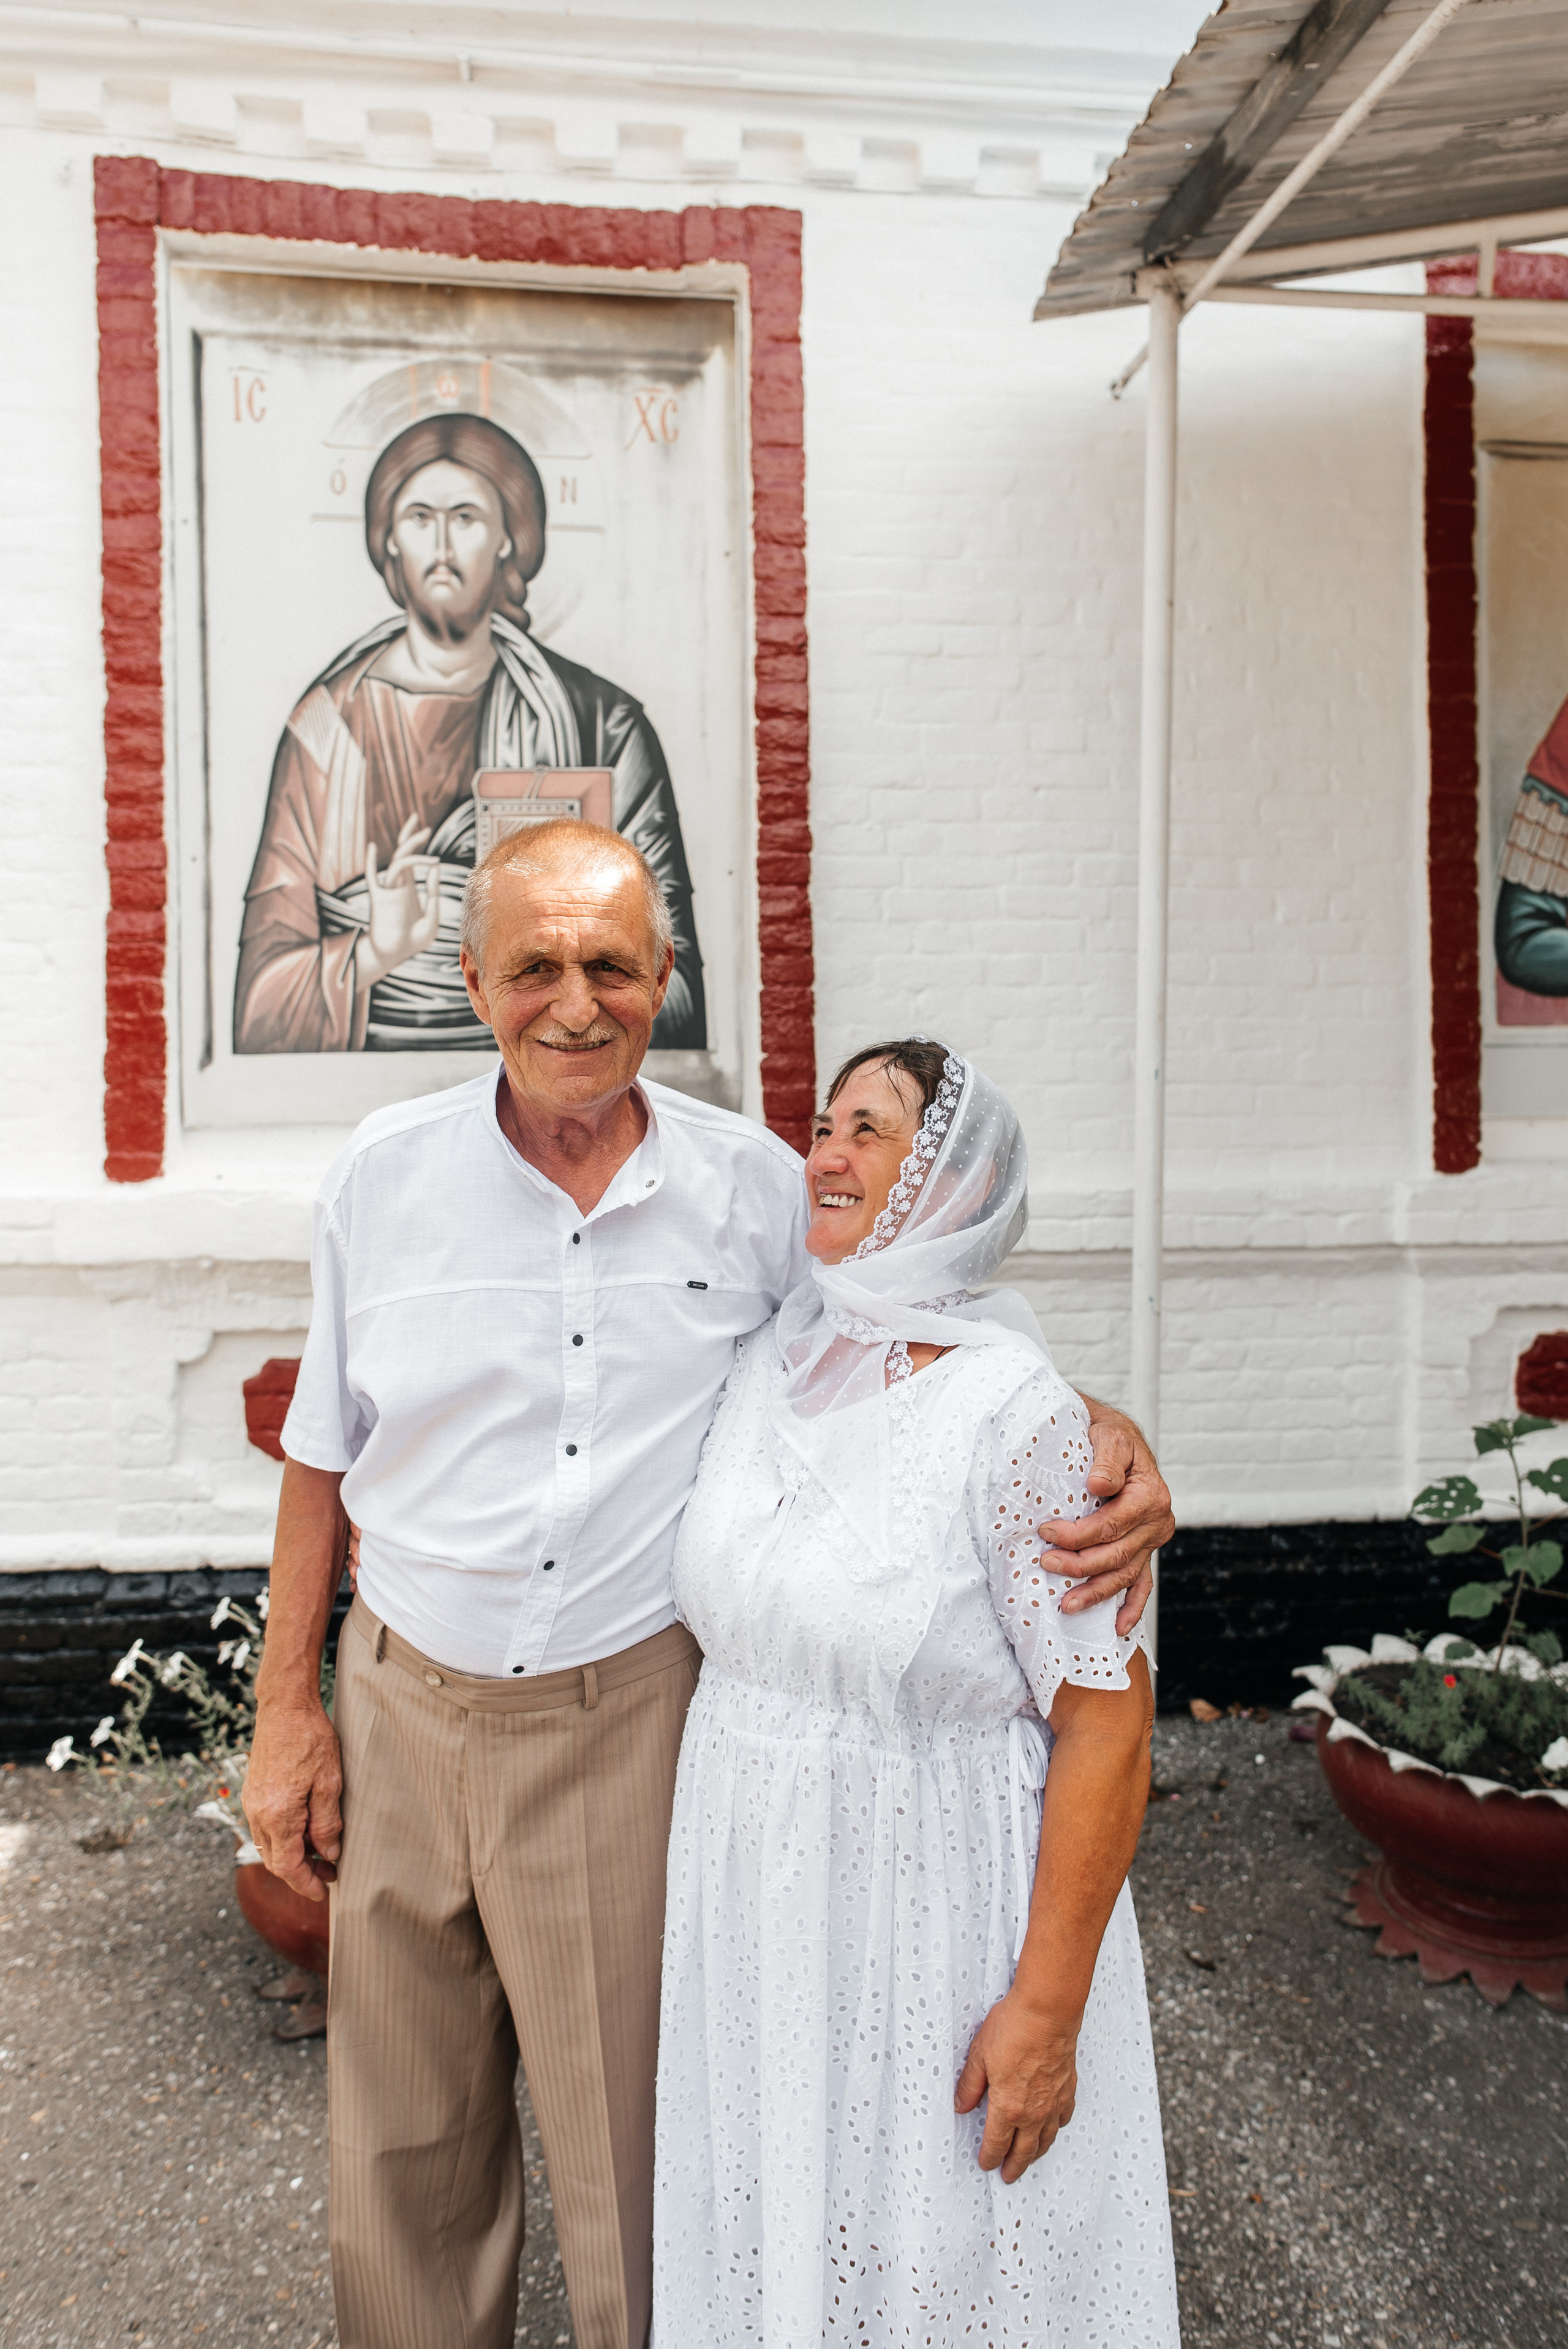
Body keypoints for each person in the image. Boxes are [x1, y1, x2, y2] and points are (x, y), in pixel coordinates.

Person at [242, 819, 1174, 2349]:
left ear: (663, 980)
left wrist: (1096, 1430)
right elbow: (317, 1451)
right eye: (533, 964)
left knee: (640, 2172)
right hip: (401, 1700)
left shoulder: (753, 1190)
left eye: (611, 963)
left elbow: (915, 1314)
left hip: (617, 1721)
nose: (573, 1000)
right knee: (397, 2155)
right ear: (473, 980)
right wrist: (290, 1708)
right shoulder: (382, 1176)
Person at [653, 1038, 1178, 2347]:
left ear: (951, 1180)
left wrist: (1045, 2012)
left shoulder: (1017, 1417)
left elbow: (1106, 1724)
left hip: (929, 1905)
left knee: (938, 2253)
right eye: (822, 1124)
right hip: (759, 1901)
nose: (824, 1152)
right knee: (786, 2219)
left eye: (870, 1130)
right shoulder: (774, 1350)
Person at [233, 410, 705, 1053]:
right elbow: (261, 1000)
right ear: (390, 539)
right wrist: (378, 949)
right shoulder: (324, 729)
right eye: (420, 519)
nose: (443, 547)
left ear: (509, 538)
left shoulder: (601, 722)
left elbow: (672, 993)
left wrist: (563, 959)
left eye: (466, 519)